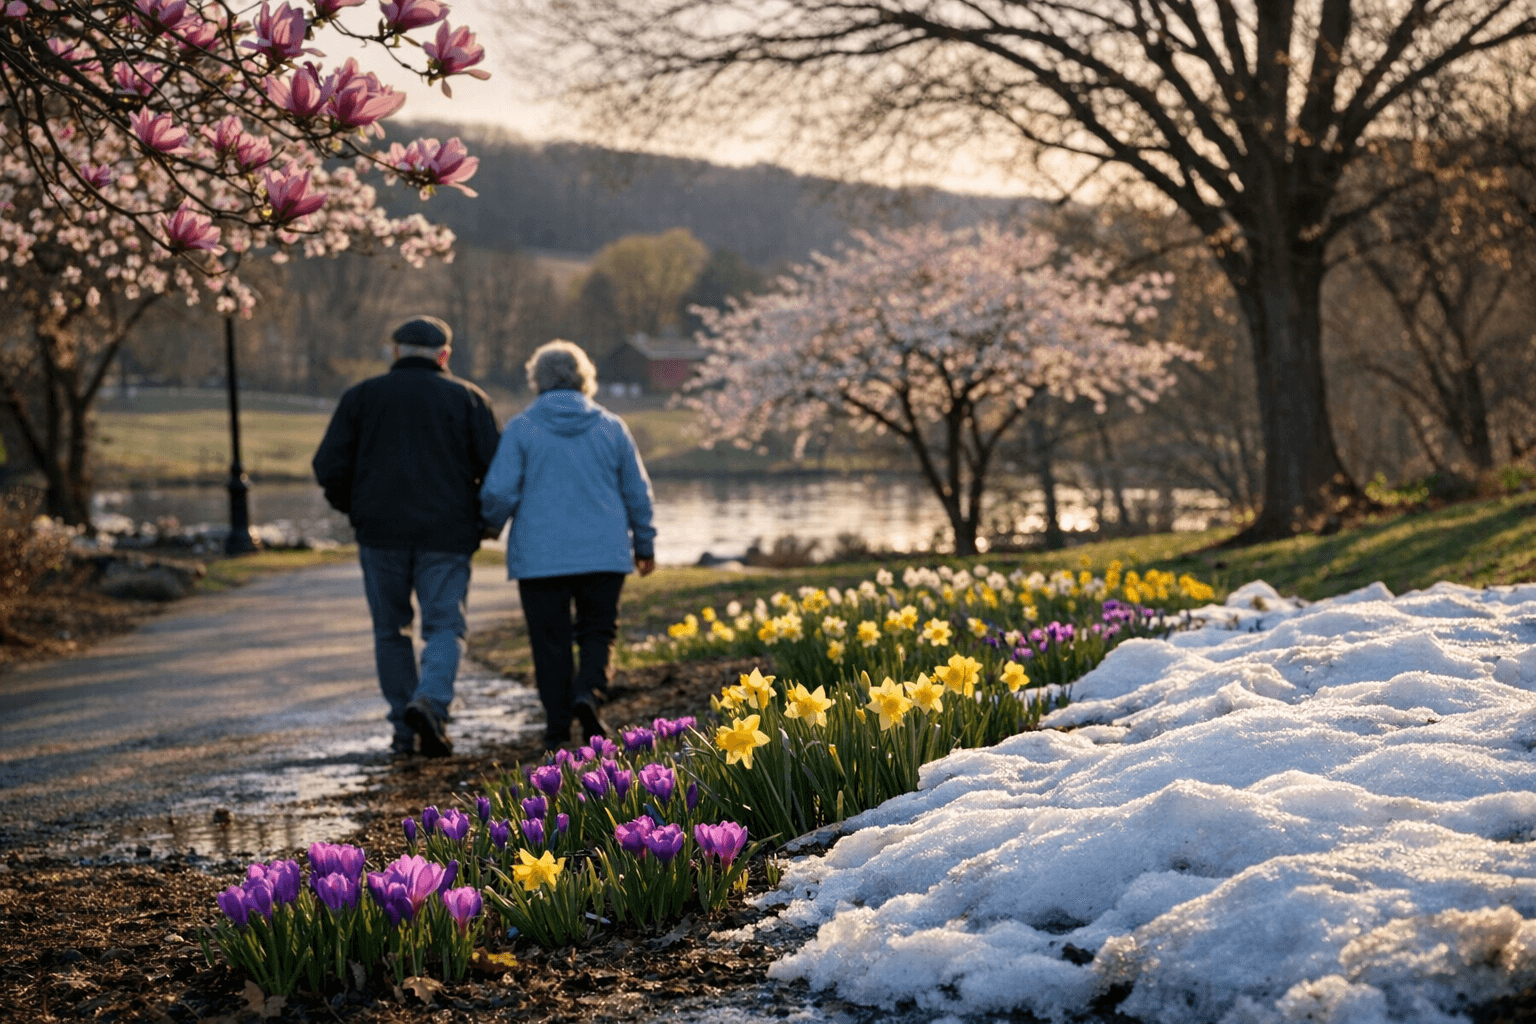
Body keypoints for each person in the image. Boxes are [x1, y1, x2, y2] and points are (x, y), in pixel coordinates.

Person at [312, 316, 501, 758]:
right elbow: (495, 472)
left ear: (395, 351)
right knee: (445, 626)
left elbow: (328, 467)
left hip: (380, 534)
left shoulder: (361, 397)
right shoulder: (468, 399)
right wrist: (483, 522)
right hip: (447, 534)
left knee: (390, 630)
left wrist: (356, 509)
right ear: (444, 355)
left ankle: (403, 725)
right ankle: (431, 703)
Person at [480, 340, 656, 750]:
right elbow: (637, 492)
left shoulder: (522, 428)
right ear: (584, 378)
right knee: (598, 632)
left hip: (539, 557)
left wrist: (490, 526)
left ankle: (557, 727)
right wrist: (644, 545)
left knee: (549, 640)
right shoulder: (612, 427)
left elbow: (499, 492)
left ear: (537, 379)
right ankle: (588, 694)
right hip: (603, 553)